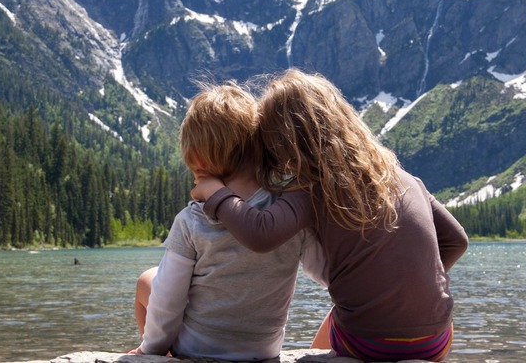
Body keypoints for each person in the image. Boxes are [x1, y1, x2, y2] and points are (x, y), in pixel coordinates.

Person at [192, 69, 469, 362]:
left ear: (283, 141)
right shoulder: (403, 177)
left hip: (370, 343)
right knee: (343, 313)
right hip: (437, 340)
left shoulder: (313, 185)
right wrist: (410, 289)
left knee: (343, 318)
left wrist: (215, 192)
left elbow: (261, 233)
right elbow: (457, 240)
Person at [128, 81, 326, 359]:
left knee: (146, 281)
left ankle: (158, 356)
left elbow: (167, 301)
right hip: (263, 350)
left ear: (198, 160)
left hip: (198, 348)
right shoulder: (287, 215)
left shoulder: (191, 220)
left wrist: (151, 348)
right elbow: (326, 273)